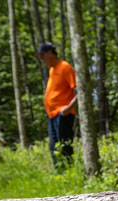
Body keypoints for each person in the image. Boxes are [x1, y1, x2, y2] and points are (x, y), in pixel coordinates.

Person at [36, 41, 76, 169]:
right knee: (54, 146)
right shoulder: (52, 70)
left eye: (43, 55)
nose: (42, 59)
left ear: (50, 53)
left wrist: (68, 108)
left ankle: (70, 171)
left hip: (63, 114)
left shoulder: (65, 67)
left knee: (64, 145)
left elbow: (80, 90)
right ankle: (60, 172)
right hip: (52, 115)